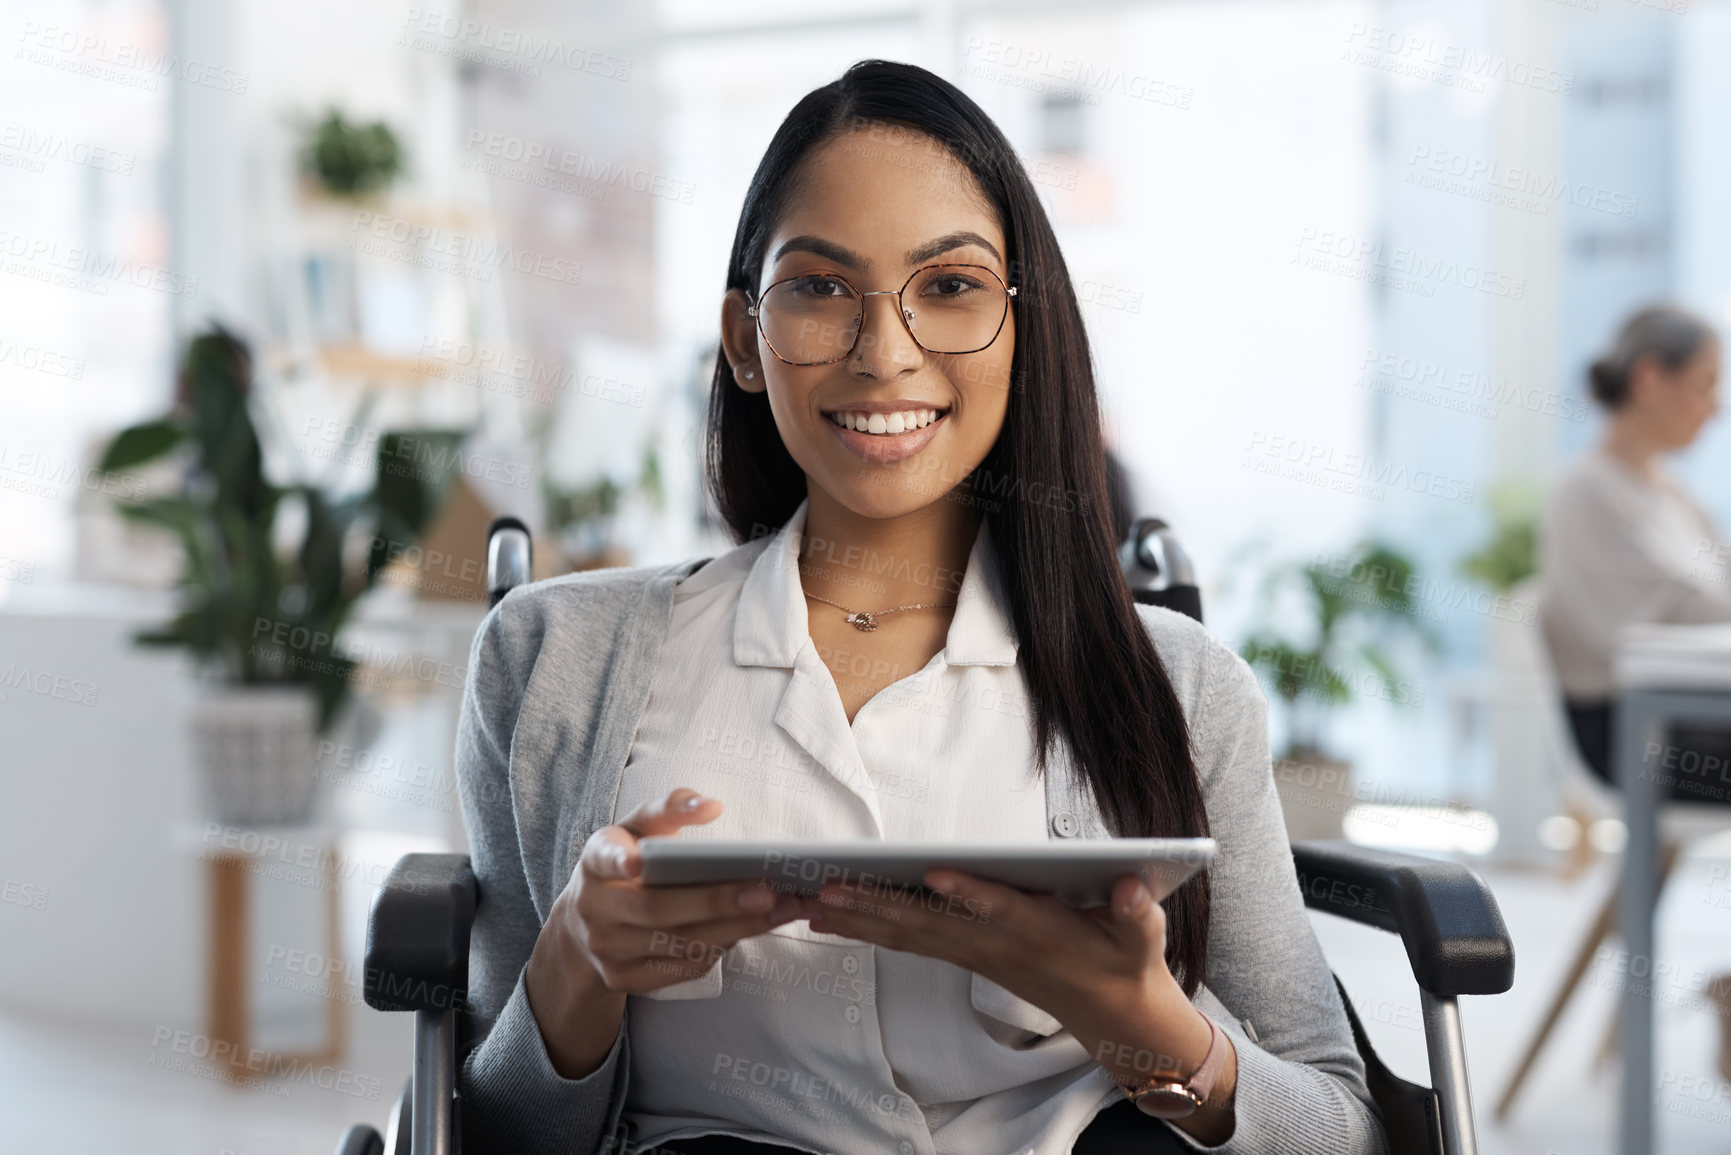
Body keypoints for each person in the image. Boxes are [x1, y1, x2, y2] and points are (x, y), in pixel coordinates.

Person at [452, 60, 1386, 1155]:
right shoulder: (553, 658)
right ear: (745, 339)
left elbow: (1344, 1131)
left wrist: (1149, 1033)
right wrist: (575, 967)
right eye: (819, 287)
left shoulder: (1182, 690)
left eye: (950, 287)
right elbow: (499, 1129)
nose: (885, 352)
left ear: (1022, 326)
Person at [1538, 303, 1731, 788]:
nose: (1716, 407)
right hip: (1639, 729)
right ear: (1649, 378)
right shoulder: (1584, 491)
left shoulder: (1674, 492)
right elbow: (1667, 618)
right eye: (1705, 385)